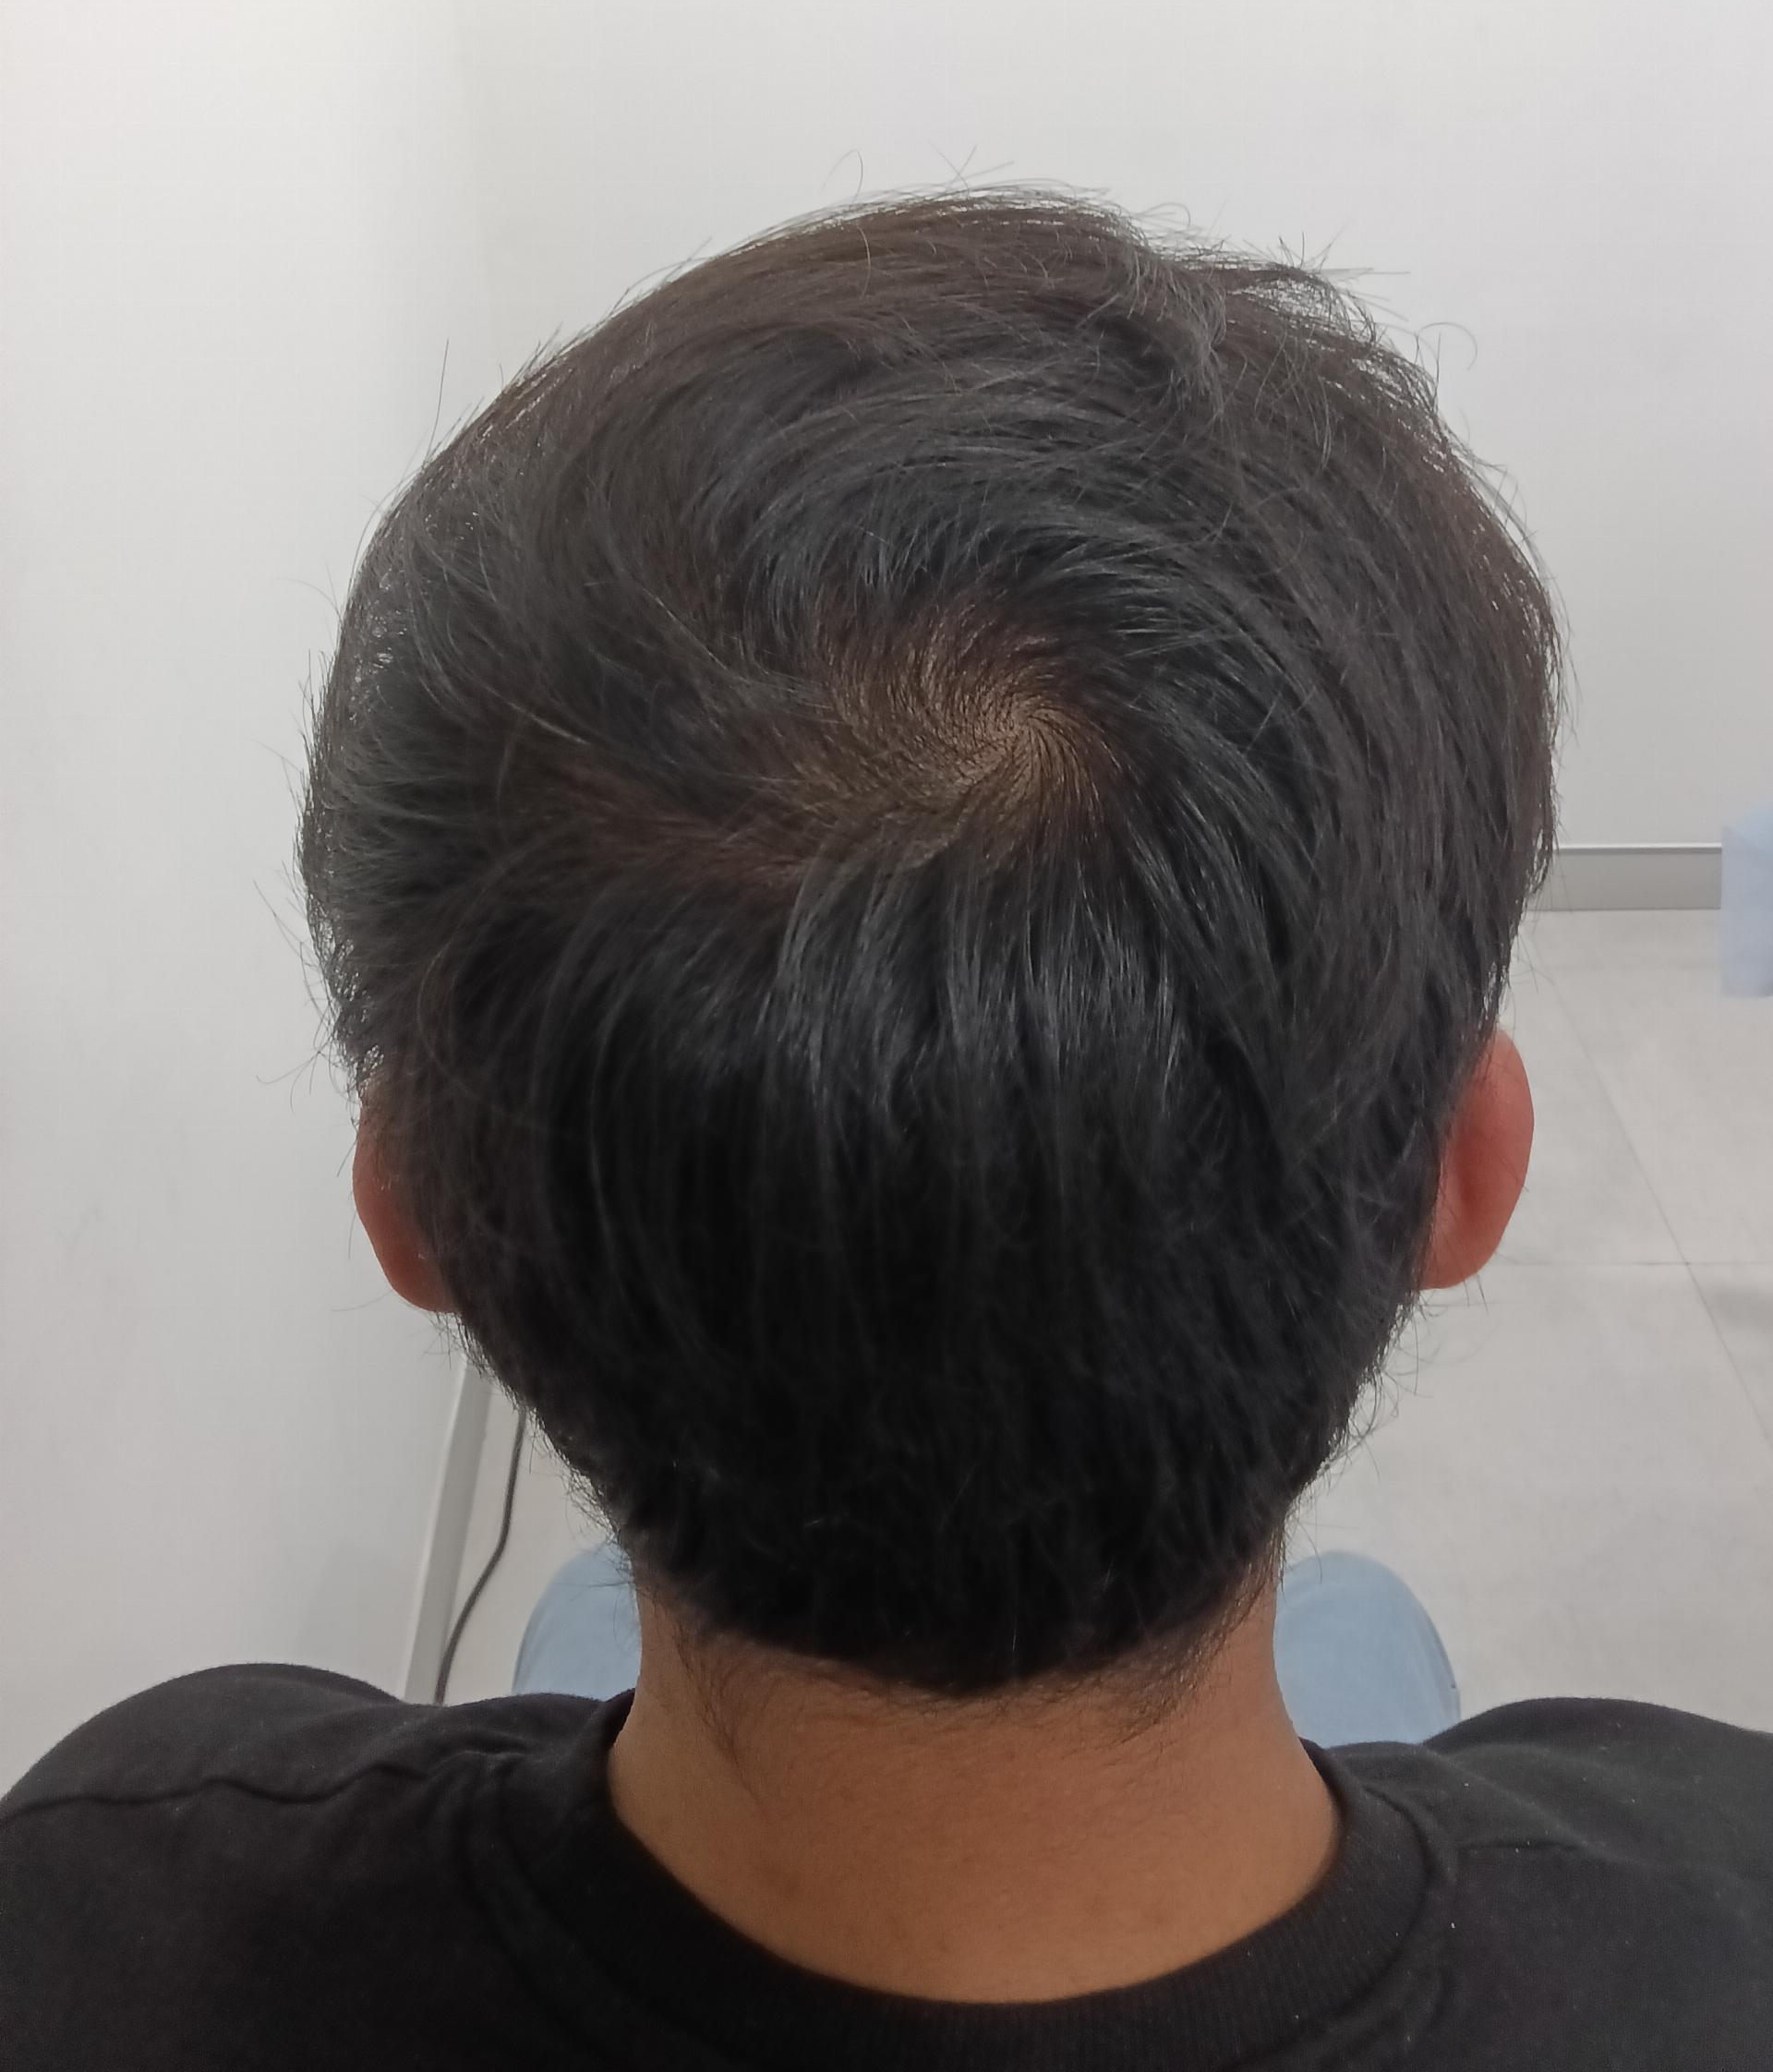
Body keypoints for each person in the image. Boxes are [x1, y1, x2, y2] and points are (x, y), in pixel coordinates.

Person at [3, 189, 1767, 2068]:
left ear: (410, 1197)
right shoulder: (1709, 1908)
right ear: (1469, 1173)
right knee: (1370, 1629)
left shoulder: (108, 1911)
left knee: (582, 1620)